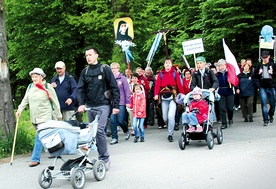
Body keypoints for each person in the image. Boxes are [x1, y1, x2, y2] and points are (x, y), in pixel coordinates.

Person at [77, 47, 120, 170]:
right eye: (86, 56)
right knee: (93, 133)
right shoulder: (84, 72)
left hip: (103, 104)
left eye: (90, 55)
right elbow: (80, 89)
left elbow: (114, 87)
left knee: (100, 130)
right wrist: (81, 103)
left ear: (96, 55)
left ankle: (105, 158)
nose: (88, 57)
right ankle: (99, 156)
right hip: (90, 106)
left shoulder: (105, 69)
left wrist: (116, 106)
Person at [16, 68, 62, 167]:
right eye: (33, 77)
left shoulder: (48, 86)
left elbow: (55, 102)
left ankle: (35, 158)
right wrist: (20, 110)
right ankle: (55, 149)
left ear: (41, 77)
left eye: (36, 76)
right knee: (46, 136)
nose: (34, 79)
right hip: (34, 117)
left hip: (45, 116)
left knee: (39, 136)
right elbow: (25, 100)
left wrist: (59, 115)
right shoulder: (30, 87)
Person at [154, 58, 184, 142]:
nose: (167, 64)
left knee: (171, 116)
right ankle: (171, 126)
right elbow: (157, 85)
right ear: (164, 65)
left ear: (171, 64)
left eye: (169, 63)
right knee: (165, 118)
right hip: (163, 97)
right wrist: (156, 94)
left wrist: (182, 95)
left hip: (173, 97)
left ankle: (170, 134)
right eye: (166, 63)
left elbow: (179, 85)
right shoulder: (161, 74)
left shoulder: (175, 74)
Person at [109, 62, 131, 145]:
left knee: (121, 120)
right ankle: (114, 137)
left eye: (115, 68)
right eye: (112, 68)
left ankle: (125, 130)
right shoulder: (109, 79)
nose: (113, 70)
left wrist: (128, 102)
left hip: (121, 102)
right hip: (112, 102)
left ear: (118, 69)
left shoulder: (122, 78)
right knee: (112, 120)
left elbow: (127, 90)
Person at [254, 50, 276, 126]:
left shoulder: (272, 64)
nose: (265, 59)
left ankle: (271, 115)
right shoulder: (259, 65)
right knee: (264, 104)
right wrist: (259, 73)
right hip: (262, 86)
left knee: (273, 104)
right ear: (261, 58)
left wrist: (272, 73)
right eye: (263, 58)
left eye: (266, 57)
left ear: (269, 57)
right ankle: (265, 120)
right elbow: (255, 76)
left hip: (271, 86)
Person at [217, 59, 235, 129]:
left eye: (223, 65)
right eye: (220, 66)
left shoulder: (229, 73)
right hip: (221, 91)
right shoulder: (217, 74)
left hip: (229, 90)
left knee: (230, 107)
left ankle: (230, 118)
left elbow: (234, 81)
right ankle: (224, 123)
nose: (222, 67)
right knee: (222, 108)